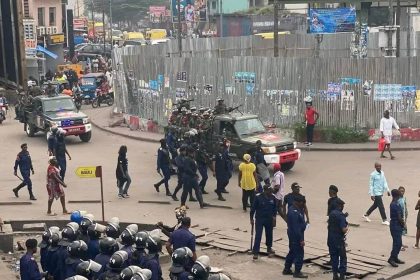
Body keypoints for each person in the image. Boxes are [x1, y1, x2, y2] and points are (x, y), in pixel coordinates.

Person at [283, 194, 308, 278]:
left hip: (295, 234)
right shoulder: (293, 212)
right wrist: (301, 239)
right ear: (297, 202)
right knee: (299, 253)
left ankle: (287, 269)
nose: (303, 205)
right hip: (296, 235)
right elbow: (296, 228)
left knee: (292, 251)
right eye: (302, 203)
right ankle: (297, 271)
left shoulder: (297, 209)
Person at [250, 184, 277, 260]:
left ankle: (269, 248)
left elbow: (275, 209)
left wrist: (274, 218)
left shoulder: (273, 197)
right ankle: (255, 252)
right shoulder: (258, 197)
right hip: (260, 219)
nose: (271, 192)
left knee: (269, 235)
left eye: (271, 191)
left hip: (269, 219)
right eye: (269, 191)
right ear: (265, 191)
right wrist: (251, 219)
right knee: (258, 235)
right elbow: (253, 209)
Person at [327, 198, 348, 280]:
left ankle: (335, 276)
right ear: (340, 206)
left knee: (334, 258)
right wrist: (347, 228)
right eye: (342, 206)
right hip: (339, 240)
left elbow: (329, 225)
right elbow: (343, 229)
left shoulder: (331, 214)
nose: (343, 207)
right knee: (343, 258)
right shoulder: (341, 216)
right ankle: (342, 276)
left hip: (330, 239)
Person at [388, 189, 405, 267]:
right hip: (395, 225)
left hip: (396, 225)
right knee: (397, 243)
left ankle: (395, 257)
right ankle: (391, 258)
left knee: (398, 243)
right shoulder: (394, 205)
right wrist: (403, 223)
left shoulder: (395, 203)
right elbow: (399, 217)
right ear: (397, 196)